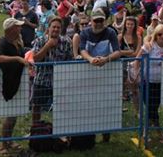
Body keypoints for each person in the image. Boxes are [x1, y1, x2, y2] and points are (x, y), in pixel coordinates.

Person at [80, 8, 121, 142]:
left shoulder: (110, 32)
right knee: (88, 103)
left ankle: (106, 133)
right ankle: (89, 134)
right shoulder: (84, 32)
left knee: (106, 102)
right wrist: (91, 59)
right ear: (91, 20)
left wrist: (106, 59)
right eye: (95, 20)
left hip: (107, 71)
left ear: (104, 21)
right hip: (89, 72)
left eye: (100, 20)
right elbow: (82, 50)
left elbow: (117, 52)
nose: (98, 23)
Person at [0, 18, 28, 156]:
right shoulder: (3, 41)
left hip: (17, 80)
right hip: (7, 81)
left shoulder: (18, 41)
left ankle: (9, 140)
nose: (20, 28)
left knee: (14, 114)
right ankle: (3, 144)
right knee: (9, 116)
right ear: (11, 29)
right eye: (18, 26)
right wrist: (17, 59)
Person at [31, 17, 73, 123]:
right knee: (37, 107)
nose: (55, 29)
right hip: (42, 79)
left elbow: (70, 60)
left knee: (62, 107)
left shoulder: (66, 42)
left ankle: (61, 130)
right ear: (48, 28)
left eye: (58, 27)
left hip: (60, 81)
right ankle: (35, 130)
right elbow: (35, 59)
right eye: (53, 27)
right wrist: (47, 46)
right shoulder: (40, 41)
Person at [134, 24, 163, 143]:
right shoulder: (149, 46)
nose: (162, 36)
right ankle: (154, 132)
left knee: (153, 108)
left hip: (160, 83)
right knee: (151, 108)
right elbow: (137, 60)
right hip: (147, 82)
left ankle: (146, 131)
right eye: (159, 34)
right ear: (155, 35)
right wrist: (136, 75)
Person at [118, 16, 142, 113]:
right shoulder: (120, 36)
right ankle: (119, 108)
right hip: (122, 64)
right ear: (125, 25)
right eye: (128, 24)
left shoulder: (138, 37)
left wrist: (123, 52)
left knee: (135, 89)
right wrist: (128, 52)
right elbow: (117, 51)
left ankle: (138, 111)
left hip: (133, 64)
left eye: (131, 24)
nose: (129, 26)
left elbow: (137, 53)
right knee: (120, 87)